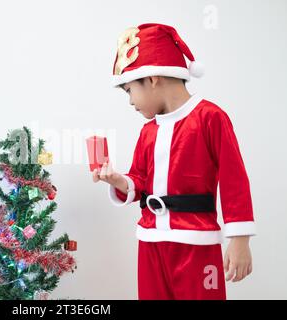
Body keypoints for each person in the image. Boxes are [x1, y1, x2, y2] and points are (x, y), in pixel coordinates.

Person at [92, 23, 256, 300]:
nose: (131, 101)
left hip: (196, 246)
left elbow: (234, 180)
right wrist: (119, 181)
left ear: (153, 78)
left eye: (130, 90)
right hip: (151, 242)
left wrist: (239, 240)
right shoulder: (148, 131)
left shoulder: (210, 118)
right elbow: (141, 179)